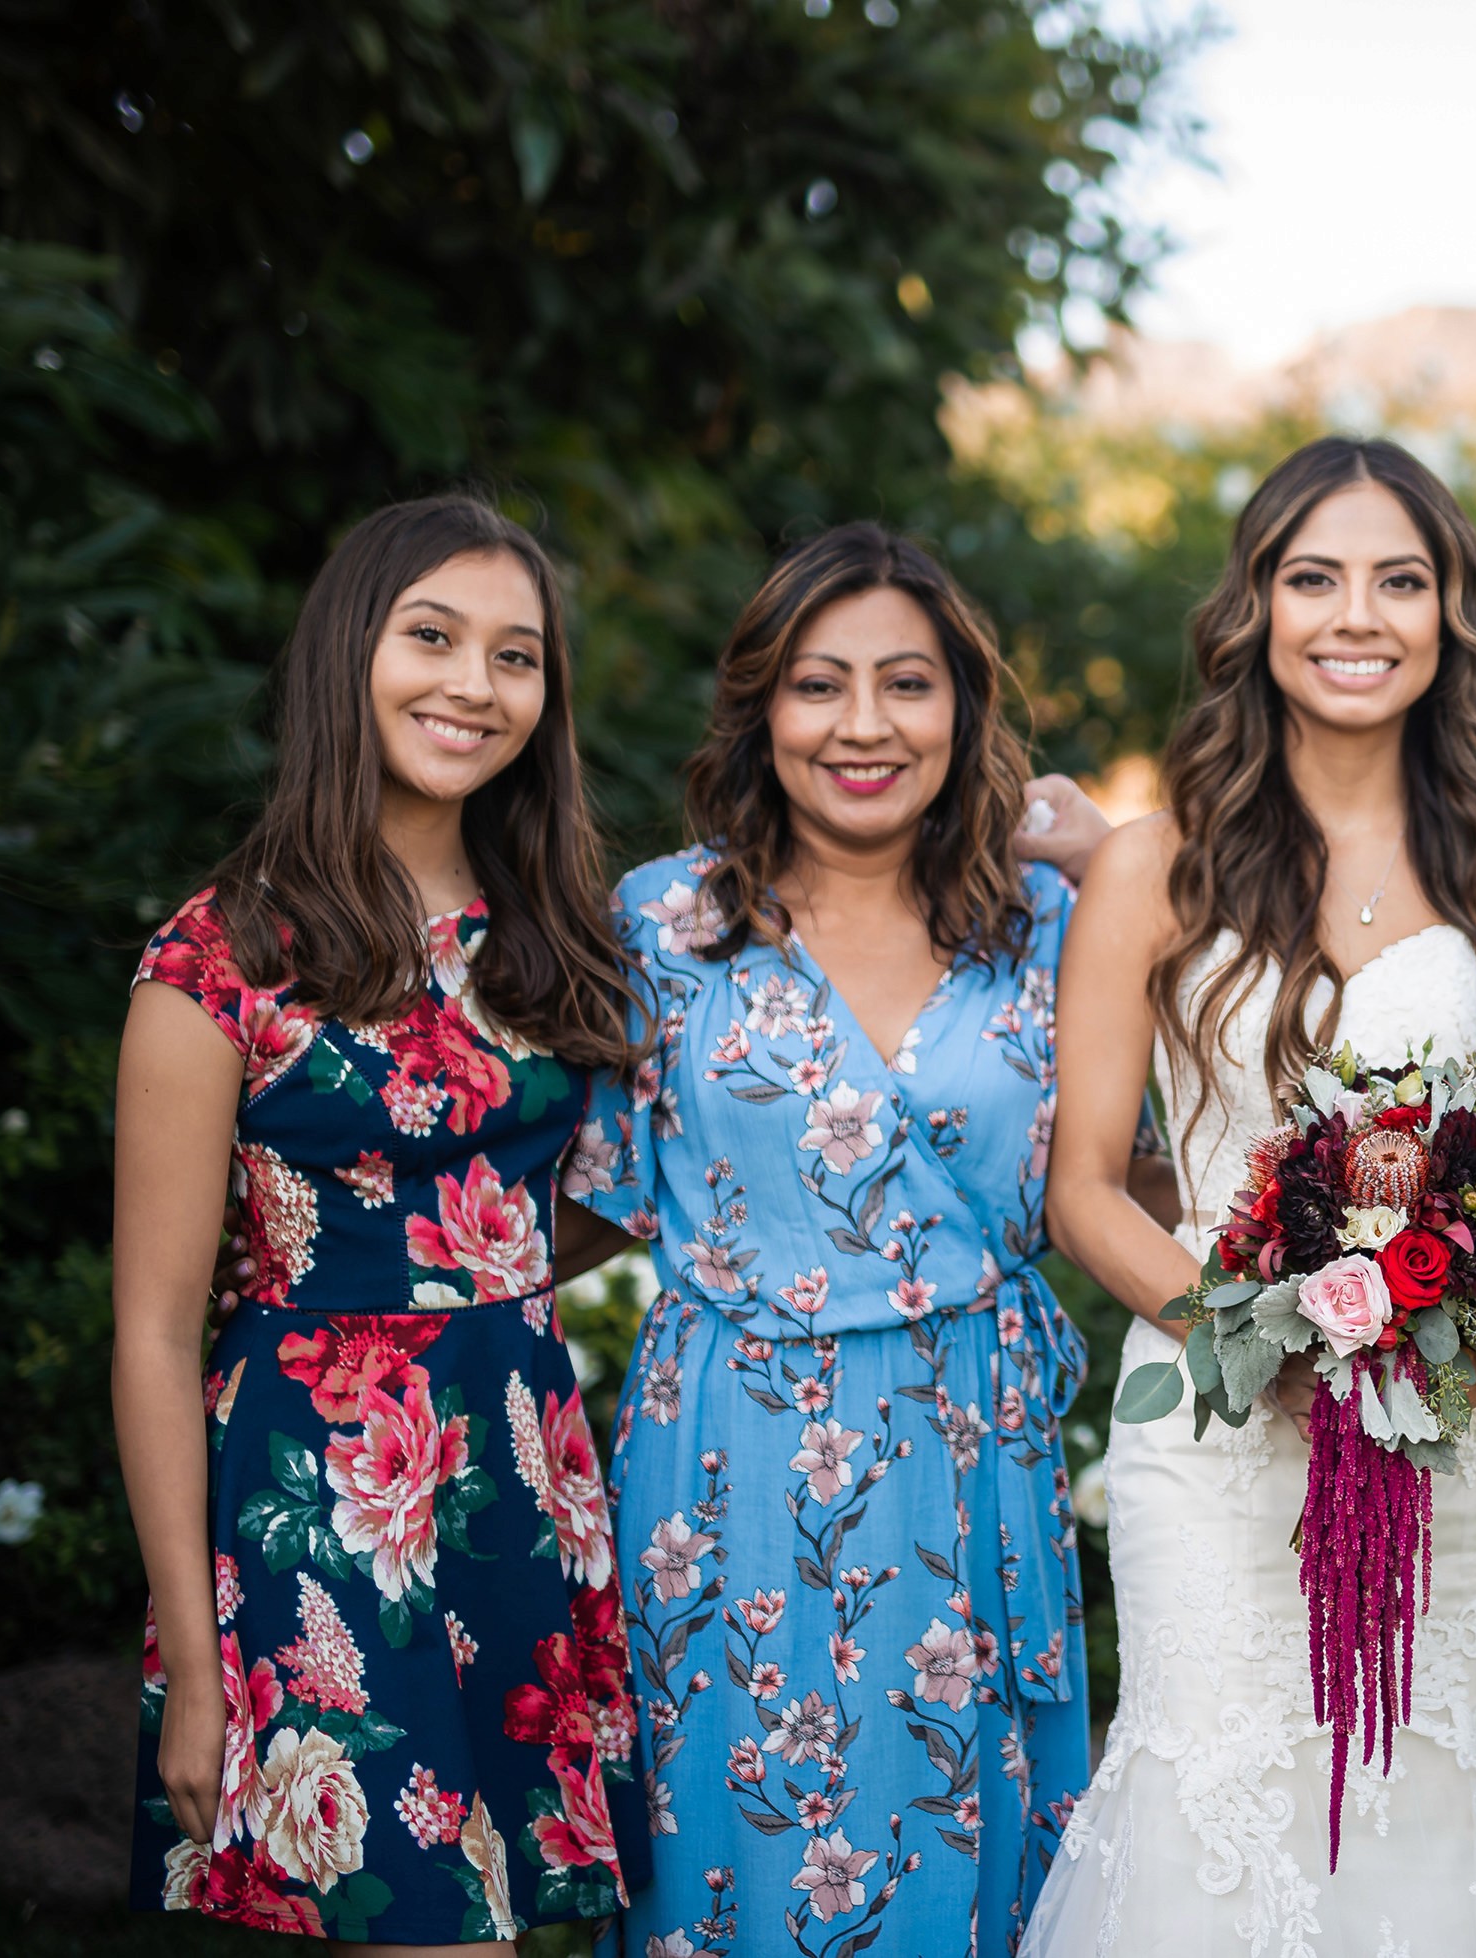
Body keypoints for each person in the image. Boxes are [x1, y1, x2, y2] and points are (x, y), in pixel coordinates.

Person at [1025, 437, 1476, 1956]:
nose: (1354, 613)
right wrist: (1279, 1338)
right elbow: (1086, 1191)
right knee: (1224, 1793)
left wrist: (1441, 1327)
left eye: (1400, 578)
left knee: (1465, 1789)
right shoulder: (1152, 868)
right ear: (1254, 609)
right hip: (1217, 1426)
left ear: (1450, 615)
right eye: (1312, 577)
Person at [560, 524, 1102, 1956]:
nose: (864, 723)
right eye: (819, 684)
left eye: (907, 683)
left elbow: (1123, 1175)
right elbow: (591, 1195)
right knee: (735, 1849)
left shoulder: (1049, 923)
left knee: (969, 1837)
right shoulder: (664, 924)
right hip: (729, 1461)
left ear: (963, 708)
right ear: (761, 710)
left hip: (973, 1440)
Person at [113, 495, 646, 1947]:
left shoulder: (552, 931)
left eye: (516, 655)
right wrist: (202, 1661)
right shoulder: (220, 957)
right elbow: (154, 1332)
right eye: (433, 636)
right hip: (323, 1505)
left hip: (522, 1482)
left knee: (517, 1919)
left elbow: (563, 1209)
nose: (475, 684)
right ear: (350, 651)